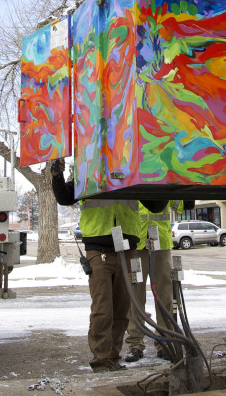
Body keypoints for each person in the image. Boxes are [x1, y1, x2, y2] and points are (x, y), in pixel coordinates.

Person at [50, 159, 166, 373]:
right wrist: (57, 177)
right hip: (99, 246)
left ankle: (112, 357)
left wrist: (165, 178)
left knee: (121, 308)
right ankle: (102, 360)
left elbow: (155, 204)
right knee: (103, 307)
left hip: (127, 246)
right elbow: (65, 197)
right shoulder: (88, 171)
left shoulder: (130, 170)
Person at [122, 199, 192, 363]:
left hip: (160, 243)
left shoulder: (161, 178)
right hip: (136, 243)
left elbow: (181, 204)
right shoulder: (133, 180)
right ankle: (135, 344)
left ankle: (164, 342)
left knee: (164, 296)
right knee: (135, 297)